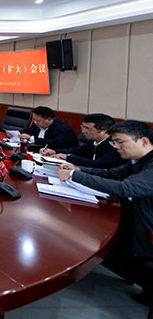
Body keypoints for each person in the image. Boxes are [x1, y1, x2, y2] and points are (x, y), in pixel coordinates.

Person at [57, 121, 153, 304]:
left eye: (120, 142)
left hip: (147, 228)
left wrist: (75, 176)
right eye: (113, 142)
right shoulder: (138, 160)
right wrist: (78, 169)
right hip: (136, 217)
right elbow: (112, 174)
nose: (115, 147)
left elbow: (125, 188)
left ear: (144, 141)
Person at [41, 113, 122, 169]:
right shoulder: (93, 141)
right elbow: (78, 150)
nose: (83, 131)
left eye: (87, 128)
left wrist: (68, 158)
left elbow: (97, 164)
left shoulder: (116, 147)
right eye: (83, 127)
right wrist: (55, 152)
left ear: (104, 131)